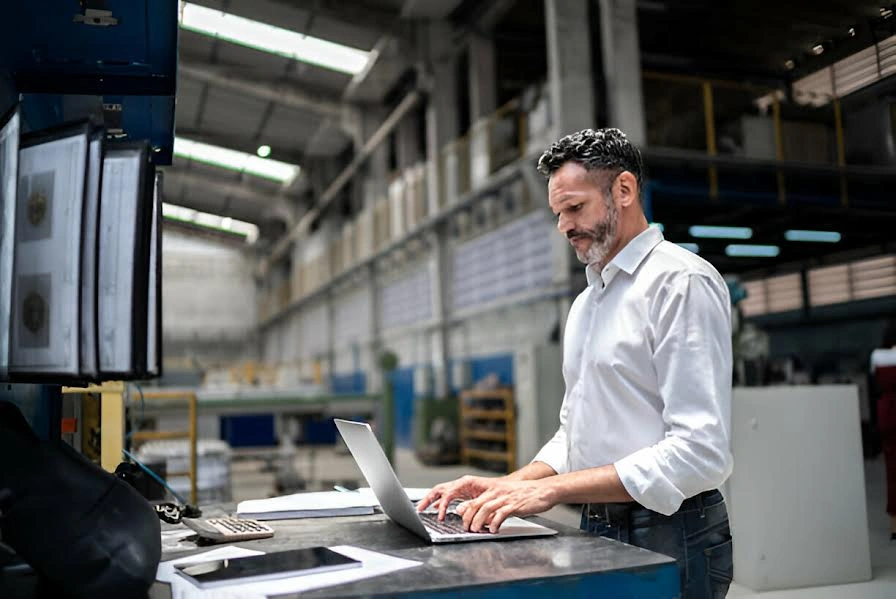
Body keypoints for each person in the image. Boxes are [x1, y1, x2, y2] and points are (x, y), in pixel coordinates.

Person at [417, 128, 734, 598]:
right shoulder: (589, 301)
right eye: (558, 213)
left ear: (623, 190)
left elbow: (699, 452)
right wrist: (506, 485)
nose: (563, 226)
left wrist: (552, 492)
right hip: (597, 520)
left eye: (575, 208)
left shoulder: (679, 283)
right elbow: (576, 433)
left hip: (670, 531)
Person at [871, 319, 896, 540]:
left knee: (891, 471)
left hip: (886, 413)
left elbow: (874, 386)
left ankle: (894, 527)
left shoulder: (877, 356)